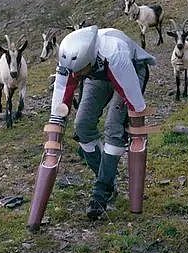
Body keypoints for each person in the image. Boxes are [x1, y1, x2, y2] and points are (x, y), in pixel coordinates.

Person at [47, 24, 155, 219]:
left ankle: (101, 192)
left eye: (79, 71)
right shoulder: (70, 59)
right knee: (82, 126)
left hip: (129, 70)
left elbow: (135, 103)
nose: (75, 76)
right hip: (96, 75)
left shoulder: (115, 54)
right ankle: (106, 178)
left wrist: (137, 124)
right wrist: (55, 125)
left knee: (113, 127)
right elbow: (61, 93)